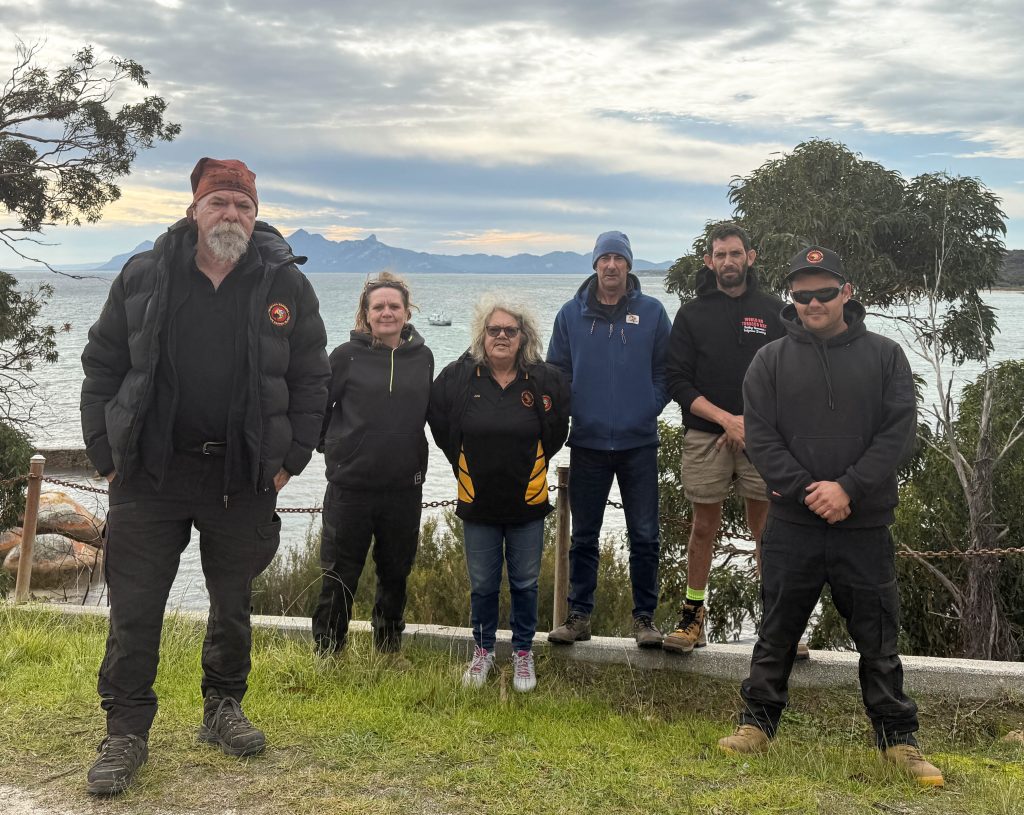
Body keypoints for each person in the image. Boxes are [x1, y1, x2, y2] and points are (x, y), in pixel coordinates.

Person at [80, 158, 329, 796]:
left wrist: (289, 461)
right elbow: (102, 364)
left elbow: (311, 378)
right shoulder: (144, 274)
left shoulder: (285, 286)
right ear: (194, 209)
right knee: (135, 607)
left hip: (242, 474)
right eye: (219, 203)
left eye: (243, 206)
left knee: (232, 602)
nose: (231, 216)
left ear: (256, 215)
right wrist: (106, 458)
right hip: (151, 473)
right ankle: (126, 730)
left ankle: (221, 708)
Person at [718, 246, 943, 787]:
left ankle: (898, 740)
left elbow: (897, 435)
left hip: (864, 523)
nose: (812, 303)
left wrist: (848, 488)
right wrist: (806, 491)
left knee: (878, 636)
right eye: (801, 294)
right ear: (791, 298)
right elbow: (762, 438)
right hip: (792, 523)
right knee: (776, 628)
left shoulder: (887, 356)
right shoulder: (768, 361)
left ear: (847, 292)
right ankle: (757, 725)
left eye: (823, 293)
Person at [429, 296, 569, 691]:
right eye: (494, 330)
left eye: (510, 330)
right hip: (477, 502)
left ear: (523, 336)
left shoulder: (545, 379)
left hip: (528, 502)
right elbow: (439, 420)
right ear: (482, 335)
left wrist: (534, 462)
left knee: (525, 582)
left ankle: (523, 653)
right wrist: (462, 461)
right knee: (483, 584)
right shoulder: (459, 377)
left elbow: (558, 429)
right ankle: (483, 651)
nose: (502, 336)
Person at [546, 231, 672, 647]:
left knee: (645, 536)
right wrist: (576, 412)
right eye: (605, 258)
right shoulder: (570, 315)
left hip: (639, 445)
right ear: (595, 264)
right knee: (584, 536)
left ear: (629, 265)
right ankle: (578, 616)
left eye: (619, 258)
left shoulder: (652, 313)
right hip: (588, 443)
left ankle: (644, 620)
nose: (612, 265)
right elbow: (557, 374)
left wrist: (647, 406)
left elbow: (666, 371)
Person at [663, 223, 784, 653]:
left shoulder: (774, 312)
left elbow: (787, 377)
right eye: (720, 255)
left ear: (751, 257)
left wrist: (751, 423)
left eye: (736, 253)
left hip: (763, 438)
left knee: (766, 532)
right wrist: (724, 420)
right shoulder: (692, 315)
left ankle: (778, 624)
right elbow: (676, 381)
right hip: (705, 437)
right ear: (708, 261)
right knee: (702, 528)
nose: (728, 261)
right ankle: (693, 618)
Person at [312, 272, 433, 657]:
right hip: (351, 487)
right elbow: (319, 408)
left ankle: (388, 650)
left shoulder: (423, 357)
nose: (386, 313)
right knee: (339, 574)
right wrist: (335, 448)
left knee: (396, 573)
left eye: (393, 306)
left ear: (406, 310)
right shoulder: (346, 356)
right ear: (366, 313)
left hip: (403, 487)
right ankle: (329, 653)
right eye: (378, 306)